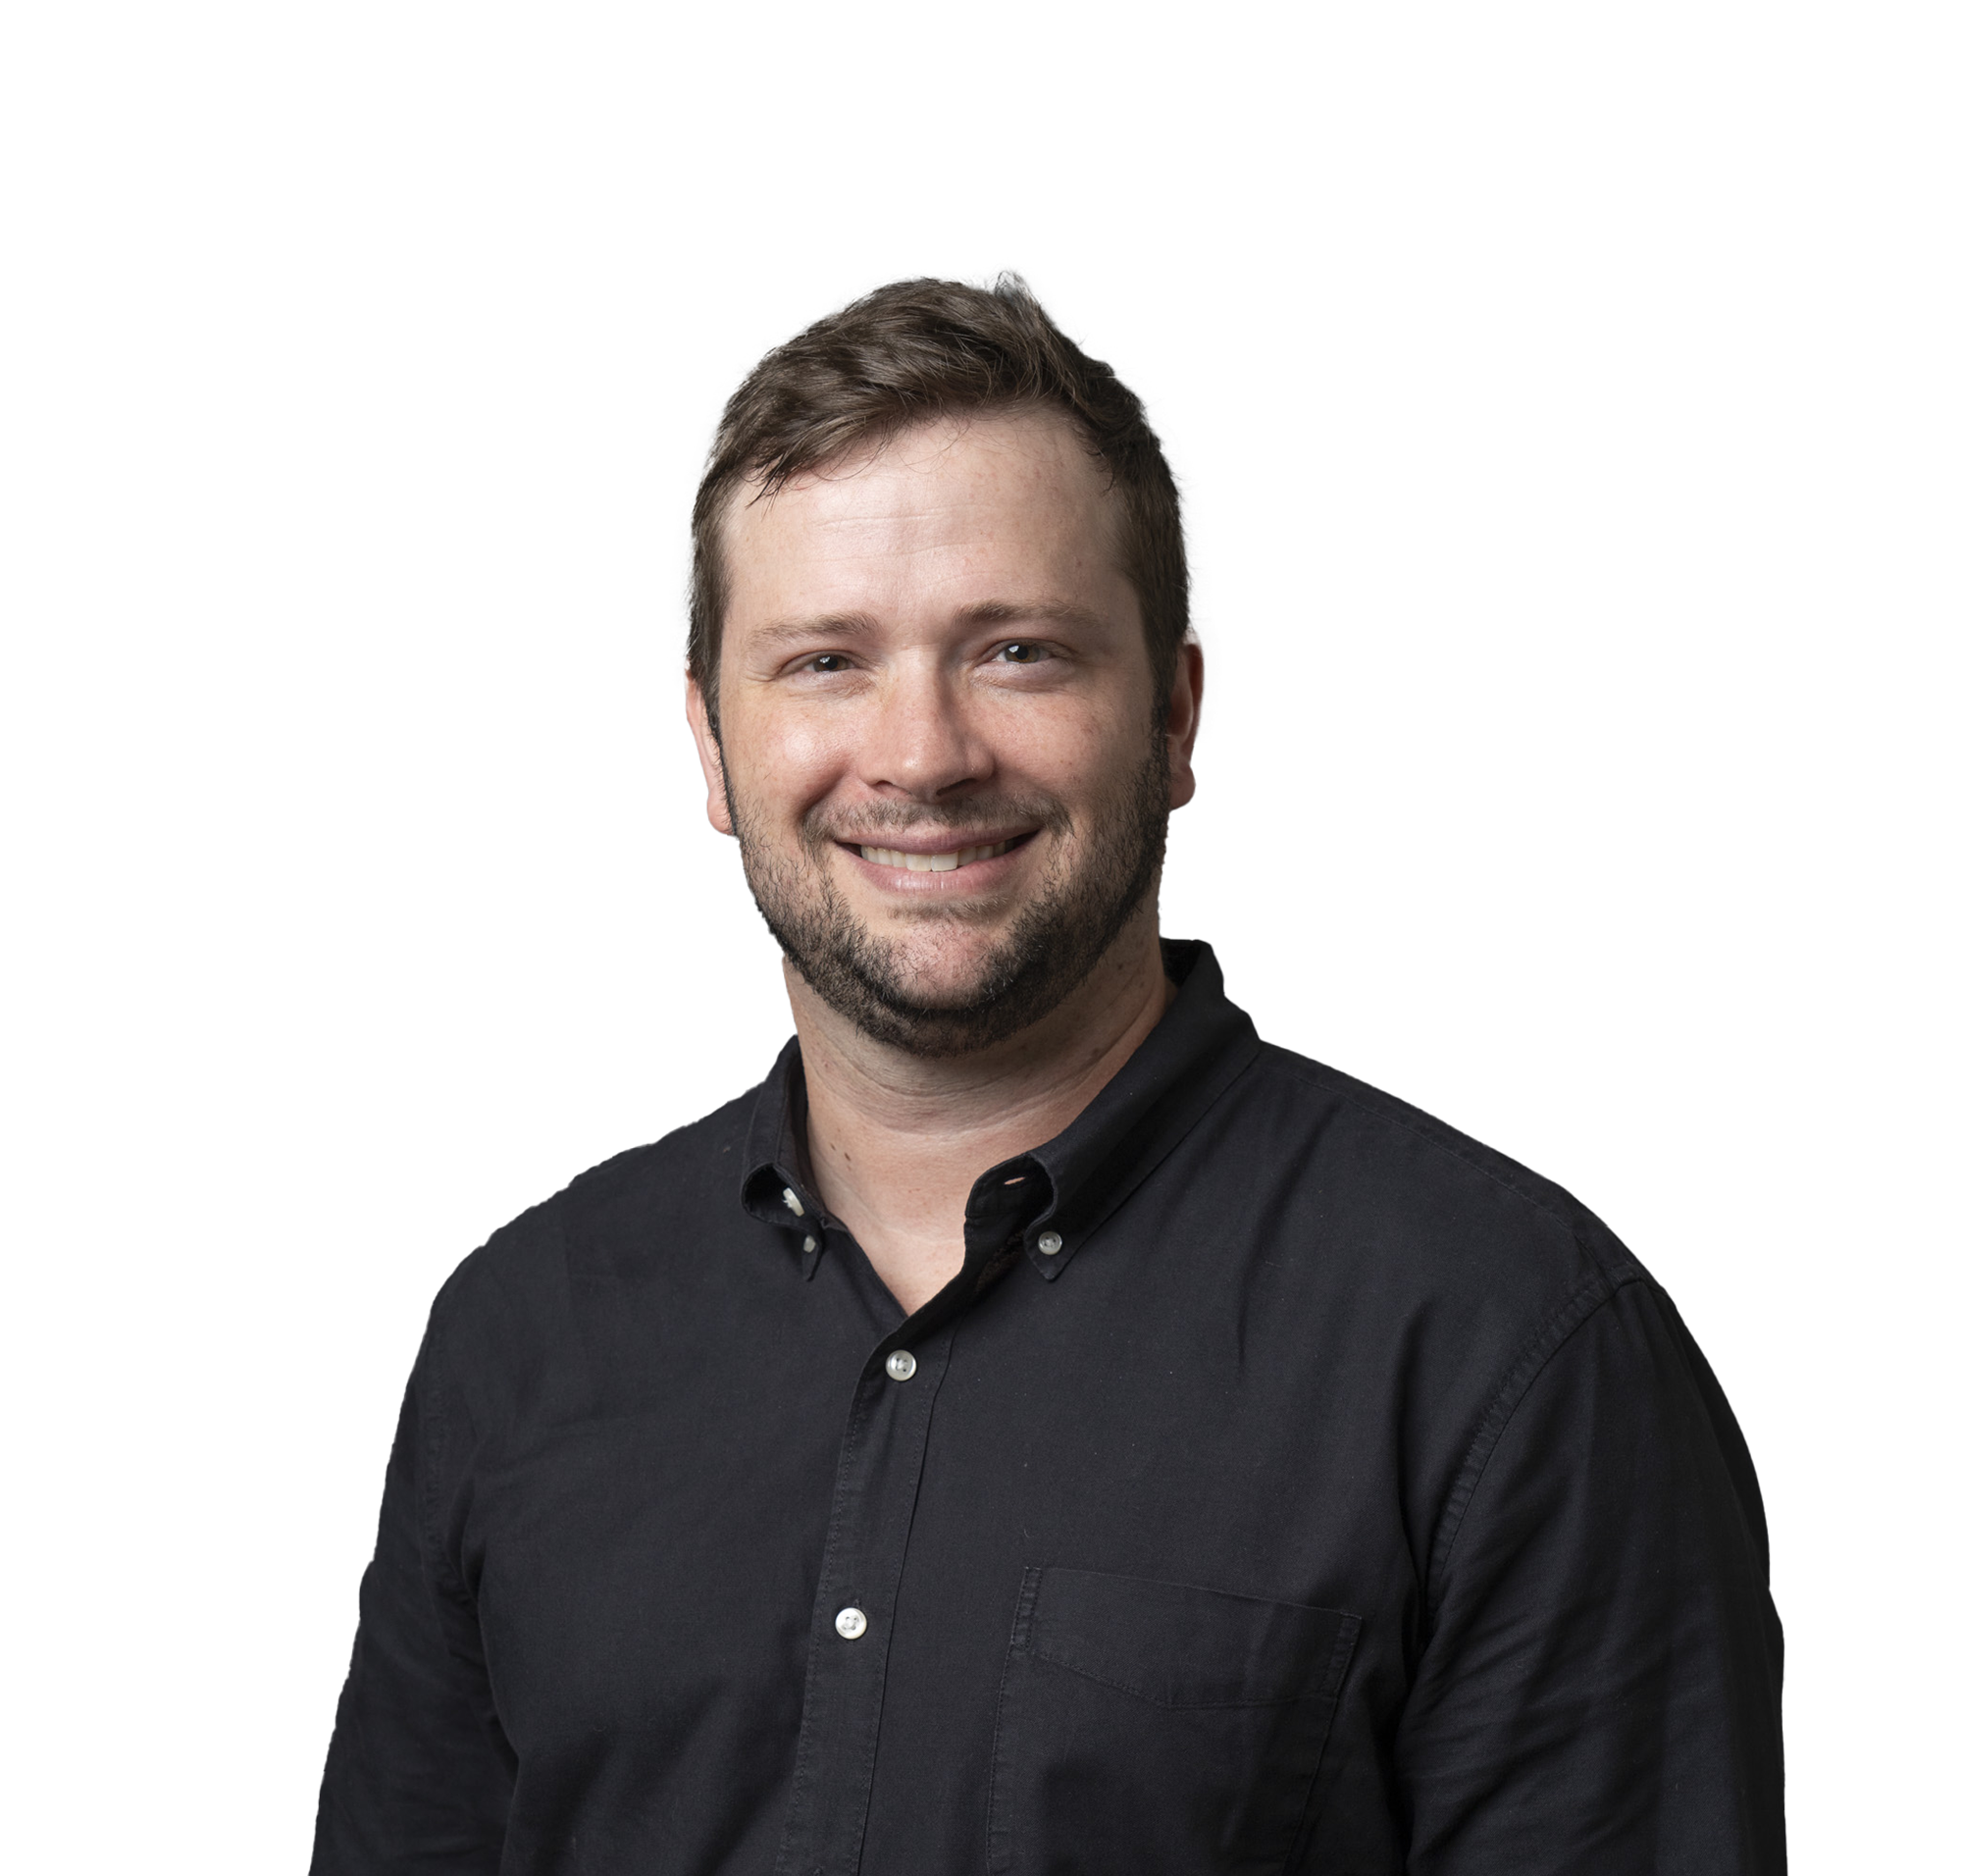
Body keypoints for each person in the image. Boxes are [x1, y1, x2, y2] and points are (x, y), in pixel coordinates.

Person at [312, 273, 1785, 1875]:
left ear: (1173, 715)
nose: (922, 755)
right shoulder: (521, 1339)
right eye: (825, 661)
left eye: (1017, 651)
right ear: (711, 742)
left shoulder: (1512, 1348)